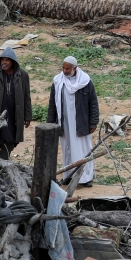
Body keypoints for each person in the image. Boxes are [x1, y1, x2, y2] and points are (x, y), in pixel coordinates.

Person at [47, 56, 99, 187]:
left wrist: (93, 123)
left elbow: (93, 103)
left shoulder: (85, 82)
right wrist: (50, 123)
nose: (64, 70)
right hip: (64, 123)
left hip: (81, 124)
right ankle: (69, 176)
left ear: (75, 68)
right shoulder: (58, 81)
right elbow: (53, 104)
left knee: (83, 149)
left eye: (67, 68)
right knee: (67, 149)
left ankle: (86, 178)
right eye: (63, 68)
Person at [0, 46, 32, 159]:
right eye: (2, 59)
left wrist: (27, 116)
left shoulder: (22, 75)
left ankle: (3, 164)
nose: (4, 62)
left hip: (13, 117)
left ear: (13, 62)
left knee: (9, 141)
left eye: (7, 60)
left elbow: (27, 96)